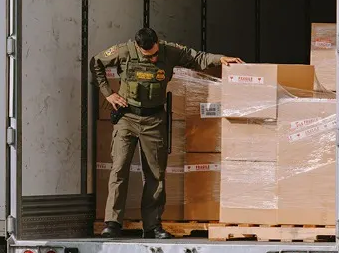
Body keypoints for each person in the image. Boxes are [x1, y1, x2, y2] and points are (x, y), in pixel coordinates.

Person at [91, 27, 244, 239]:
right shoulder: (124, 51)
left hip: (154, 121)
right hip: (127, 118)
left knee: (155, 174)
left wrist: (221, 59)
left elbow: (197, 57)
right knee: (119, 170)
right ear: (137, 47)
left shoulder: (170, 51)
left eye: (155, 54)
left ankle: (152, 226)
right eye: (148, 56)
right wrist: (108, 94)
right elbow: (96, 62)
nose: (153, 59)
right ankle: (112, 223)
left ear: (157, 43)